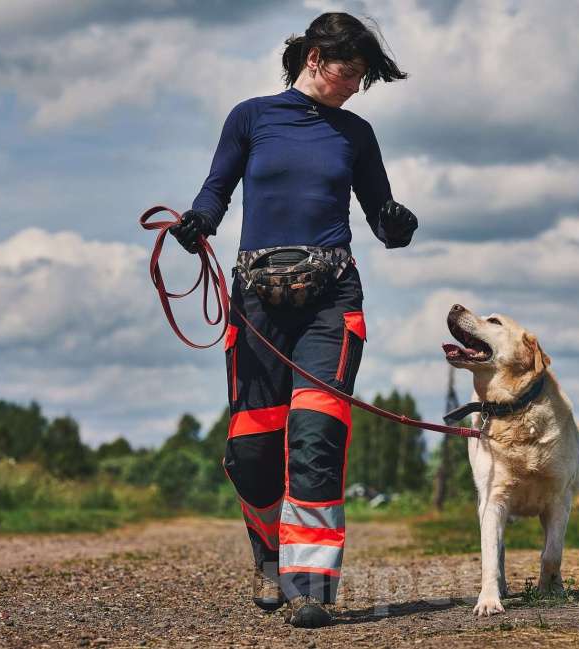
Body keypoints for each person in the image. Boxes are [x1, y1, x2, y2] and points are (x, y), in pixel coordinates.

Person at [169, 12, 417, 628]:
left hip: (331, 302)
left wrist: (395, 222)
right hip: (255, 303)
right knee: (252, 451)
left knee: (316, 438)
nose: (356, 86)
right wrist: (198, 222)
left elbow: (380, 213)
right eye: (350, 72)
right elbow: (216, 190)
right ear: (313, 58)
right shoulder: (251, 117)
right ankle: (269, 551)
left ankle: (309, 587)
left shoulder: (355, 134)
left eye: (364, 76)